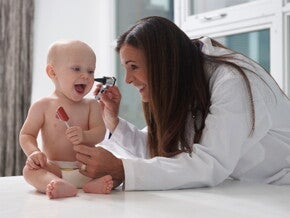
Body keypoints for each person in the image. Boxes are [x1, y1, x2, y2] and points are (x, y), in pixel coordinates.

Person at [73, 16, 290, 191]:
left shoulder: (230, 82)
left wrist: (123, 170)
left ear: (162, 62)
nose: (128, 79)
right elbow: (160, 151)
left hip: (277, 191)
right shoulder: (184, 82)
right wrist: (113, 122)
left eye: (134, 67)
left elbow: (208, 164)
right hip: (237, 189)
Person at [19, 40, 113, 199]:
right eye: (76, 69)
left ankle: (92, 185)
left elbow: (100, 132)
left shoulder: (91, 105)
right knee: (29, 171)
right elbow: (26, 135)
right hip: (54, 167)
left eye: (91, 71)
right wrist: (34, 152)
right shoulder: (42, 106)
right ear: (52, 72)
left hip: (87, 168)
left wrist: (84, 136)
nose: (86, 76)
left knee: (115, 171)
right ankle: (56, 183)